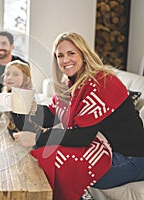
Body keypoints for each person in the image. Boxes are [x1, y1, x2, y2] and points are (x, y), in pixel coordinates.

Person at [13, 32, 144, 200]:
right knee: (45, 152)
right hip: (104, 148)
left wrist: (37, 137)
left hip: (131, 158)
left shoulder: (103, 82)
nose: (65, 60)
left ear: (83, 54)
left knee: (54, 158)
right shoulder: (74, 84)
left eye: (71, 53)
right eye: (60, 55)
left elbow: (83, 136)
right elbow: (52, 115)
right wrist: (25, 107)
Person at [0, 60, 46, 139]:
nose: (10, 77)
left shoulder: (28, 98)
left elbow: (22, 124)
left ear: (26, 79)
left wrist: (1, 108)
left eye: (16, 74)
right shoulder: (7, 97)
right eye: (7, 74)